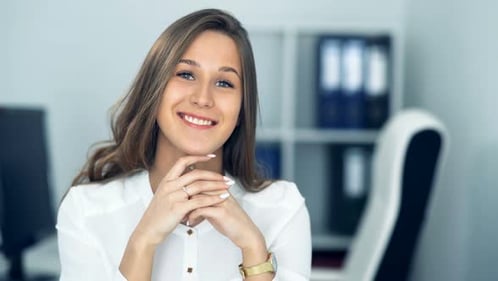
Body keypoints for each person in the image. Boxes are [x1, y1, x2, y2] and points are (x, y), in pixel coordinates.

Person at [56, 8, 311, 281]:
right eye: (186, 75)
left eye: (224, 82)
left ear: (241, 112)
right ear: (154, 90)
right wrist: (143, 241)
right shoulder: (87, 210)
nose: (203, 98)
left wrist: (253, 248)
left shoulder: (283, 209)